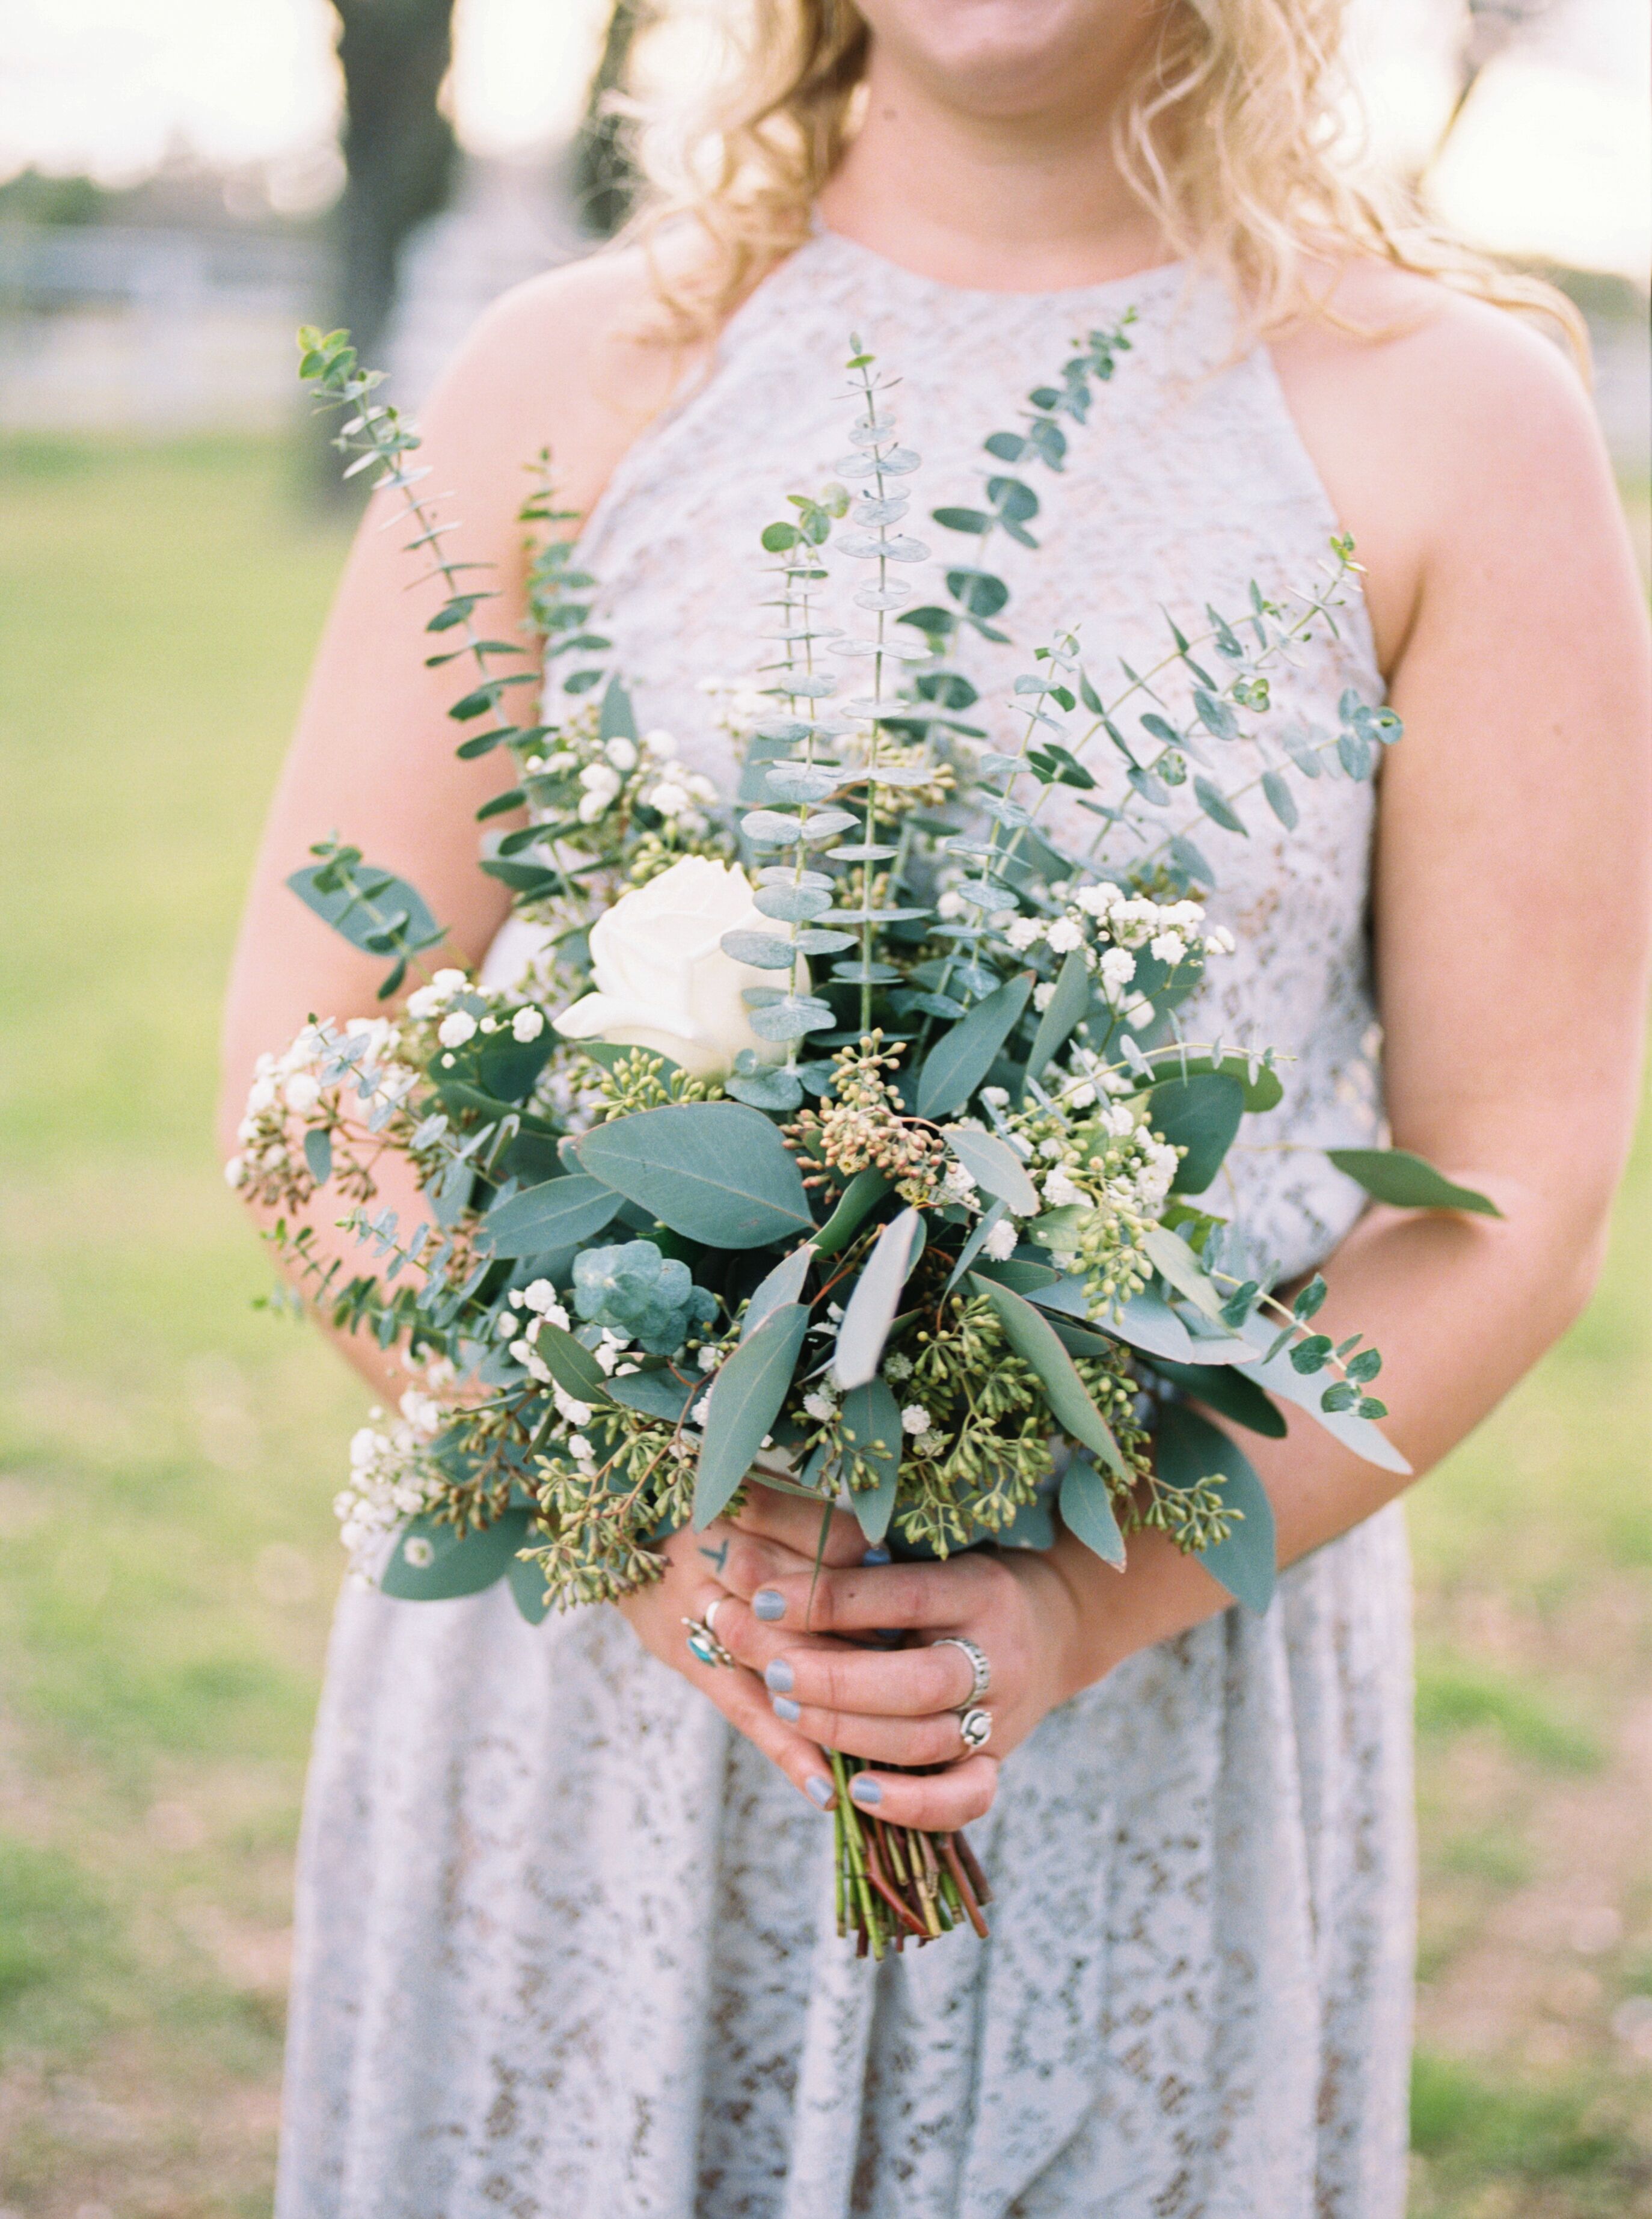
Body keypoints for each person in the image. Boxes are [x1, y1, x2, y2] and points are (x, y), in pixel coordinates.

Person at [221, 2, 1651, 2212]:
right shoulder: (569, 376)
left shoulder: (1452, 422)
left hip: (1138, 1705)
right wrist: (630, 1520)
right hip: (583, 1716)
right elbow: (315, 1080)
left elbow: (1513, 1192)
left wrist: (1079, 1613)